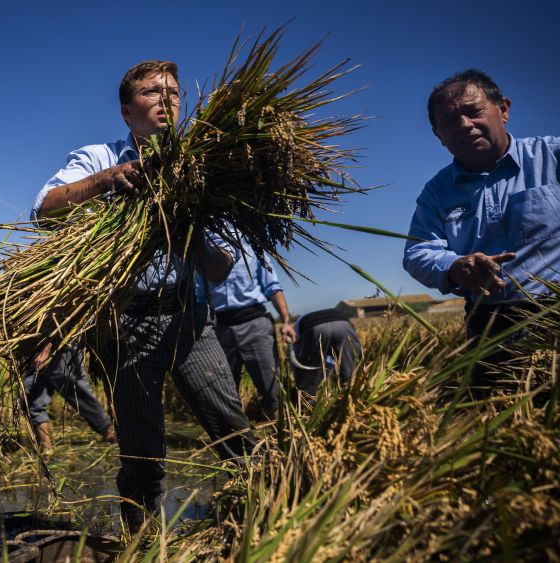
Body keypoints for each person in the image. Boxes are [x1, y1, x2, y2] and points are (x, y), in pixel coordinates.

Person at [33, 60, 254, 532]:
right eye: (151, 91)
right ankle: (143, 544)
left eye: (173, 91)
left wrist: (180, 232)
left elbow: (220, 265)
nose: (166, 99)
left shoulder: (205, 169)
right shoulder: (99, 157)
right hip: (123, 326)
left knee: (233, 430)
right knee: (142, 454)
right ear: (126, 111)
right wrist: (107, 180)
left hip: (187, 318)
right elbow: (44, 209)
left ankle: (253, 528)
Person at [403, 69, 560, 391]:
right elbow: (418, 251)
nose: (464, 125)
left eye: (474, 112)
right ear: (437, 134)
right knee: (492, 422)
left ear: (503, 109)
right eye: (449, 120)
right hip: (488, 327)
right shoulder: (436, 192)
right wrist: (455, 266)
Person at [209, 242, 296, 418]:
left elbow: (273, 287)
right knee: (224, 392)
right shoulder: (204, 250)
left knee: (273, 389)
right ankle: (235, 440)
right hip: (220, 328)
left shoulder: (254, 250)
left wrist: (286, 320)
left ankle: (283, 438)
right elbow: (198, 294)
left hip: (255, 325)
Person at [22, 341, 116, 458]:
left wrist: (46, 349)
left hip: (61, 344)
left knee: (75, 391)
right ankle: (46, 449)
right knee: (30, 395)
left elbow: (55, 323)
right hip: (37, 349)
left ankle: (109, 434)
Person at [288, 308, 361, 399]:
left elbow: (298, 361)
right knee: (352, 371)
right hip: (343, 324)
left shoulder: (295, 329)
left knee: (308, 374)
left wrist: (300, 377)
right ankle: (353, 396)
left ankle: (307, 403)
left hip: (314, 326)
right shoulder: (305, 319)